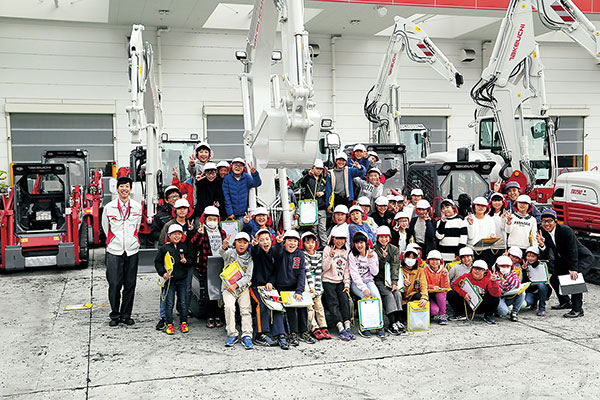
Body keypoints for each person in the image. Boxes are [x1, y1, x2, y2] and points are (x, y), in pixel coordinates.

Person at [537, 209, 594, 318]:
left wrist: (573, 269)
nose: (546, 224)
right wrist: (542, 245)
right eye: (544, 221)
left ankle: (577, 309)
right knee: (554, 279)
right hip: (564, 259)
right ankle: (565, 302)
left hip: (581, 257)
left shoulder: (565, 230)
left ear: (555, 221)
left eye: (549, 221)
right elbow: (545, 253)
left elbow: (573, 250)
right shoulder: (542, 231)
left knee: (574, 280)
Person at [102, 175, 142, 327]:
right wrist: (115, 241)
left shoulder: (137, 207)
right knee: (114, 284)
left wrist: (132, 241)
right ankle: (115, 315)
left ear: (130, 190)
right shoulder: (109, 207)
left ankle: (126, 315)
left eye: (127, 186)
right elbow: (106, 228)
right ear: (117, 189)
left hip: (132, 250)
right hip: (114, 251)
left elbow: (136, 227)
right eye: (122, 186)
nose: (124, 189)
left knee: (130, 284)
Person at [271, 230, 316, 346]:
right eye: (289, 240)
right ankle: (293, 333)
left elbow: (301, 273)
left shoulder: (300, 254)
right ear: (284, 242)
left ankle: (304, 332)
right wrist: (278, 243)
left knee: (302, 306)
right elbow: (276, 252)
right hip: (281, 287)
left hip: (295, 286)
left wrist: (299, 290)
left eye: (295, 241)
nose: (292, 243)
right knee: (290, 309)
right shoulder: (280, 252)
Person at [189, 206, 226, 330]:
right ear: (205, 219)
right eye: (209, 218)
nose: (212, 221)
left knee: (219, 292)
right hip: (206, 266)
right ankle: (210, 316)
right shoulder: (201, 231)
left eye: (214, 219)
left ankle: (218, 316)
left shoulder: (222, 232)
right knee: (208, 293)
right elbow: (194, 244)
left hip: (220, 265)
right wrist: (199, 234)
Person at [154, 224, 195, 334]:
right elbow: (157, 262)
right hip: (169, 280)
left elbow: (192, 259)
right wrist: (163, 273)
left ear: (182, 235)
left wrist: (186, 261)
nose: (176, 236)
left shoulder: (185, 247)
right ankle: (169, 323)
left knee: (182, 302)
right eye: (174, 234)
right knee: (169, 302)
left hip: (182, 279)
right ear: (169, 235)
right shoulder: (165, 248)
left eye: (179, 234)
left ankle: (183, 322)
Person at [218, 231, 254, 349]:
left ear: (248, 244)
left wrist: (237, 285)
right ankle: (232, 334)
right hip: (228, 288)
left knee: (245, 310)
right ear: (235, 243)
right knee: (229, 307)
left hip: (242, 288)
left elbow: (248, 277)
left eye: (245, 242)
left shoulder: (249, 258)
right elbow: (222, 253)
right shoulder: (230, 253)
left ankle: (247, 335)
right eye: (239, 242)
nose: (242, 245)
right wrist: (224, 246)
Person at [348, 231, 386, 338]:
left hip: (369, 280)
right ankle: (364, 327)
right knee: (365, 297)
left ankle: (379, 324)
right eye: (357, 243)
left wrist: (370, 259)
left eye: (361, 242)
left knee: (377, 297)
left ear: (366, 243)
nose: (359, 245)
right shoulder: (352, 255)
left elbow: (375, 272)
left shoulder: (372, 254)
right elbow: (354, 275)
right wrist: (363, 288)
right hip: (356, 283)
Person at [322, 225, 355, 341]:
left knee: (344, 301)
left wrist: (347, 284)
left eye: (342, 239)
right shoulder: (327, 249)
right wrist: (330, 257)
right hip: (328, 280)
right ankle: (340, 327)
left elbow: (346, 269)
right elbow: (324, 268)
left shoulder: (346, 251)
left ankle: (347, 326)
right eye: (337, 238)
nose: (339, 241)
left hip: (340, 281)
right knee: (333, 303)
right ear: (333, 238)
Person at [248, 229, 279, 347]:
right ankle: (260, 334)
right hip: (255, 286)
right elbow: (255, 254)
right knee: (261, 304)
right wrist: (255, 246)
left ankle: (278, 332)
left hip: (269, 287)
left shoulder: (274, 253)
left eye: (267, 239)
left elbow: (275, 271)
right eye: (261, 240)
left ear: (271, 240)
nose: (265, 242)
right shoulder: (257, 252)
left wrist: (270, 281)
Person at [373, 226, 405, 335]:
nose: (384, 239)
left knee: (397, 293)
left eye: (386, 237)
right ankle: (391, 323)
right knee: (388, 295)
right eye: (381, 237)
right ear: (378, 238)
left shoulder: (394, 249)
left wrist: (394, 282)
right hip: (379, 279)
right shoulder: (374, 249)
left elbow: (395, 266)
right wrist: (382, 258)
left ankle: (398, 321)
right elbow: (375, 268)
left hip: (391, 279)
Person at [449, 260, 501, 324]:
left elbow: (496, 294)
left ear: (484, 271)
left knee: (495, 297)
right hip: (467, 304)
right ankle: (460, 314)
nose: (477, 271)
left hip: (482, 305)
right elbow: (453, 285)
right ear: (472, 269)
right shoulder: (465, 276)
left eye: (480, 269)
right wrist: (463, 294)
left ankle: (488, 315)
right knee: (451, 293)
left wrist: (493, 282)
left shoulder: (489, 279)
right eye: (475, 269)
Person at [301, 232, 331, 340]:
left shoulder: (318, 255)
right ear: (303, 243)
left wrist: (317, 288)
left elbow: (318, 272)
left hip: (316, 283)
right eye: (307, 242)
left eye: (312, 242)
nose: (310, 245)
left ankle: (323, 326)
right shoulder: (303, 255)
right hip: (306, 283)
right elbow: (307, 271)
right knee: (310, 308)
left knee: (319, 306)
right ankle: (314, 327)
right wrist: (311, 288)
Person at [300, 159, 328, 246]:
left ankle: (325, 246)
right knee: (314, 229)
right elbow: (302, 184)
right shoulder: (308, 178)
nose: (319, 170)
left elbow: (329, 191)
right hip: (311, 207)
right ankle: (317, 245)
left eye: (321, 169)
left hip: (321, 207)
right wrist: (308, 175)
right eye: (317, 168)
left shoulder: (324, 179)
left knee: (322, 228)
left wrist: (323, 193)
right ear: (313, 168)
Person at [400, 247, 429, 322]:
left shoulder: (420, 271)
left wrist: (424, 297)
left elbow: (423, 285)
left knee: (418, 296)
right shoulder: (400, 270)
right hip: (402, 300)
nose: (410, 259)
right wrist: (404, 285)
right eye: (408, 257)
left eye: (413, 257)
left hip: (413, 298)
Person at [467, 196, 497, 267]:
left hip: (486, 250)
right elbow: (470, 237)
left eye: (483, 206)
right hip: (472, 250)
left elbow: (493, 233)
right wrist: (470, 225)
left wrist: (492, 237)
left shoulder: (490, 219)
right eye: (478, 205)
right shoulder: (468, 218)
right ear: (474, 206)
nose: (480, 207)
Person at [435, 198, 467, 263]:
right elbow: (439, 237)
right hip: (443, 255)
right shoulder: (439, 222)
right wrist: (442, 223)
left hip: (455, 256)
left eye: (447, 207)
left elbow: (463, 239)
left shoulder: (461, 220)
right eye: (443, 208)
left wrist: (458, 253)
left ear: (453, 208)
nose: (445, 210)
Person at [522, 246, 550, 317]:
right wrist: (524, 271)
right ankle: (533, 303)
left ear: (537, 257)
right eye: (528, 256)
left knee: (541, 285)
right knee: (527, 302)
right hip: (531, 290)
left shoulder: (542, 265)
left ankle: (542, 308)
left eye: (533, 256)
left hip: (542, 289)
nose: (530, 258)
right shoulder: (524, 266)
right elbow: (524, 281)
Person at [495, 255, 524, 322]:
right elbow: (499, 289)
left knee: (522, 292)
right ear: (498, 266)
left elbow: (517, 284)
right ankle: (496, 310)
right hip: (500, 297)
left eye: (507, 266)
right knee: (503, 312)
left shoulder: (512, 273)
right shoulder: (495, 275)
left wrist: (507, 276)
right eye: (503, 266)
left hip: (510, 296)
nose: (505, 268)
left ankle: (514, 312)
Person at [424, 250, 450, 325]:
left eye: (437, 259)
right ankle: (430, 314)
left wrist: (445, 276)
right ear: (428, 260)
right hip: (428, 295)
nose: (434, 262)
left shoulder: (443, 270)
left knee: (440, 294)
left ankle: (442, 315)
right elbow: (422, 284)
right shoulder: (424, 270)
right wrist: (432, 287)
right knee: (434, 311)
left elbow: (445, 287)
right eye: (432, 259)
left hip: (439, 295)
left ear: (440, 261)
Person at [488, 192, 508, 265]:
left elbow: (507, 230)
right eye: (495, 200)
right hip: (490, 246)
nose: (497, 203)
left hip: (502, 246)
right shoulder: (487, 216)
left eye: (499, 200)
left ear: (503, 202)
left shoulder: (506, 215)